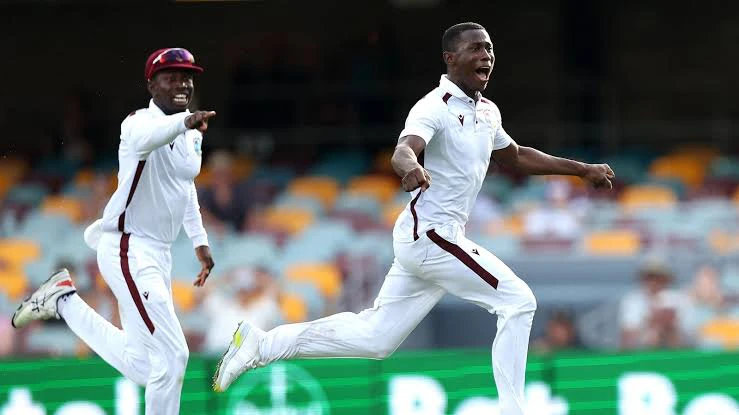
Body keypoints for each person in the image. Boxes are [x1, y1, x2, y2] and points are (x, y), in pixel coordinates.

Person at [213, 23, 614, 415]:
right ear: (450, 58)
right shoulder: (433, 106)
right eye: (476, 49)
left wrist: (580, 169)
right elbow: (404, 148)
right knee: (519, 302)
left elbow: (516, 156)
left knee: (377, 339)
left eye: (489, 49)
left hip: (428, 238)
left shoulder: (487, 111)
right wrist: (411, 168)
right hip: (432, 237)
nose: (486, 56)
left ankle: (262, 344)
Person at [12, 48, 216, 415]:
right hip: (128, 248)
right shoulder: (136, 123)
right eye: (171, 76)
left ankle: (63, 300)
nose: (182, 83)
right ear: (151, 85)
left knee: (146, 366)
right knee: (174, 356)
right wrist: (185, 123)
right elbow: (151, 138)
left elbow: (184, 185)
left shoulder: (191, 134)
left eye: (187, 76)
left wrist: (199, 241)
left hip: (158, 254)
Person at [619, 258, 692, 349]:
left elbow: (689, 335)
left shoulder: (679, 299)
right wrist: (651, 324)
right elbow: (628, 337)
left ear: (666, 279)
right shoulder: (633, 301)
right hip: (643, 351)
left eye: (659, 278)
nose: (654, 282)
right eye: (650, 278)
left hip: (674, 350)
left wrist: (667, 324)